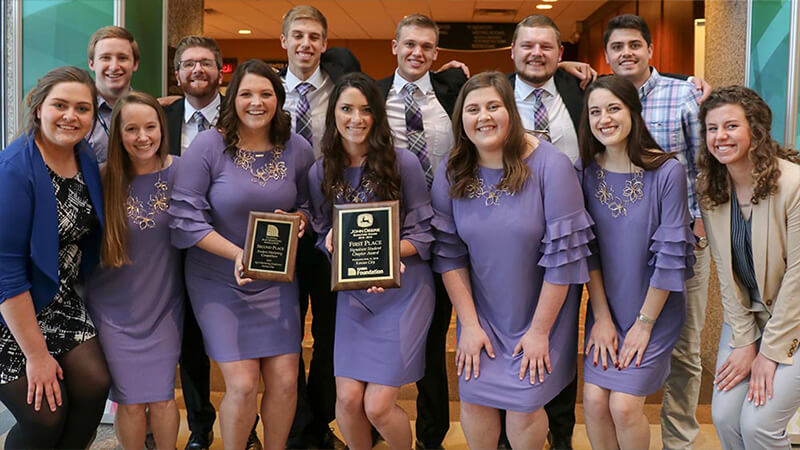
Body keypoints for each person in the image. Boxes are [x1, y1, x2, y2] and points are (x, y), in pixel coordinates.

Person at [431, 71, 592, 449]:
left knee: (523, 407)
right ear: (461, 120)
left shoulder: (551, 166)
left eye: (493, 106)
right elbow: (448, 252)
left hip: (543, 312)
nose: (483, 116)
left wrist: (538, 332)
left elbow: (563, 261)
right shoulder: (452, 170)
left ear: (511, 112)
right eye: (472, 109)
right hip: (483, 311)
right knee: (474, 401)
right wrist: (468, 325)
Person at [168, 59, 314, 450]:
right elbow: (185, 217)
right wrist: (237, 254)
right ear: (232, 99)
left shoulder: (296, 148)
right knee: (244, 383)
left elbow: (311, 204)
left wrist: (301, 219)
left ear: (278, 99)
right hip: (218, 279)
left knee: (284, 381)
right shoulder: (208, 146)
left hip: (275, 281)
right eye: (246, 93)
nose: (256, 102)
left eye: (266, 94)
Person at [307, 71, 435, 450]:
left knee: (378, 406)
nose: (356, 118)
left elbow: (424, 234)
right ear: (334, 114)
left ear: (377, 116)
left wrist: (389, 255)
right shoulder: (320, 171)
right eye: (346, 108)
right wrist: (329, 241)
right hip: (355, 297)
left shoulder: (403, 163)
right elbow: (318, 232)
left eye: (365, 110)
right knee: (346, 401)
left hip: (403, 289)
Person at [602, 14, 710, 448]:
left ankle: (678, 440)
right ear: (607, 56)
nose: (626, 53)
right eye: (617, 47)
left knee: (684, 351)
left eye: (634, 45)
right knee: (624, 335)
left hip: (682, 244)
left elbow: (706, 166)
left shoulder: (682, 94)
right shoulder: (602, 97)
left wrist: (699, 227)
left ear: (650, 50)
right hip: (624, 251)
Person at [577, 75, 696, 450]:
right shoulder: (584, 172)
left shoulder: (667, 171)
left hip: (654, 310)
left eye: (614, 108)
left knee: (625, 406)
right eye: (595, 111)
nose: (604, 119)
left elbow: (672, 257)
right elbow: (588, 251)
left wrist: (643, 325)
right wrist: (602, 318)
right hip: (606, 310)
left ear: (633, 111)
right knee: (595, 403)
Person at [0, 66, 111, 449]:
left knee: (95, 384)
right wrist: (37, 356)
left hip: (58, 299)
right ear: (38, 108)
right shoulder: (14, 170)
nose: (71, 116)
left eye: (83, 108)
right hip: (11, 309)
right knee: (45, 416)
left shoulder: (83, 155)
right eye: (60, 105)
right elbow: (7, 272)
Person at [374, 14, 465, 449]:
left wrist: (568, 65)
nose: (417, 53)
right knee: (382, 329)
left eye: (427, 47)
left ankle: (432, 436)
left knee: (434, 338)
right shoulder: (369, 95)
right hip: (383, 235)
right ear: (394, 46)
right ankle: (375, 425)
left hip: (445, 231)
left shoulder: (454, 91)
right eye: (409, 44)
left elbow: (519, 79)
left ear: (437, 53)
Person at [698, 86, 800, 449]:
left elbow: (798, 280)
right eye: (711, 128)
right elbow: (726, 275)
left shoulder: (793, 184)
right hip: (749, 318)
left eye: (730, 126)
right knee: (725, 418)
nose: (720, 137)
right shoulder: (711, 188)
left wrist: (770, 353)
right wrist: (744, 342)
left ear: (755, 131)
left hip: (795, 318)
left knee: (759, 426)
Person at [278, 6, 360, 447]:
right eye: (298, 35)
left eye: (314, 36)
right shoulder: (265, 92)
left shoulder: (344, 88)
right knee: (286, 331)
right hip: (277, 230)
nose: (306, 43)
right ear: (284, 41)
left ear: (325, 44)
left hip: (333, 227)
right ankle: (295, 422)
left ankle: (321, 422)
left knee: (330, 332)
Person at [84, 91, 183, 450]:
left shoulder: (182, 171)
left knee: (161, 396)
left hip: (164, 304)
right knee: (129, 398)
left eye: (150, 127)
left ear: (162, 128)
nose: (143, 137)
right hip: (113, 308)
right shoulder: (101, 178)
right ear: (118, 134)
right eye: (131, 129)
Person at [86, 26, 140, 163]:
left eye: (122, 58)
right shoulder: (78, 111)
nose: (114, 66)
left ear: (135, 64)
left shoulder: (151, 111)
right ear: (92, 64)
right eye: (105, 58)